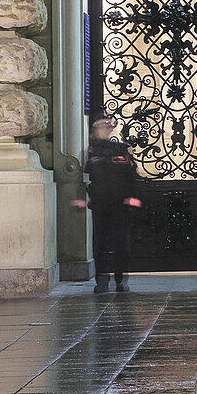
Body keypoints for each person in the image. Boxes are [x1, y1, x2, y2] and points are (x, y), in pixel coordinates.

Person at [73, 114, 141, 293]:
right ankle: (102, 281)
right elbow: (84, 179)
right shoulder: (90, 152)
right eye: (99, 127)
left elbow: (131, 177)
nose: (102, 130)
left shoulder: (120, 150)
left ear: (110, 129)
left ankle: (120, 280)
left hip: (120, 204)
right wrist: (83, 199)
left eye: (105, 127)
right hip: (100, 204)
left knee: (121, 245)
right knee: (100, 244)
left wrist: (133, 199)